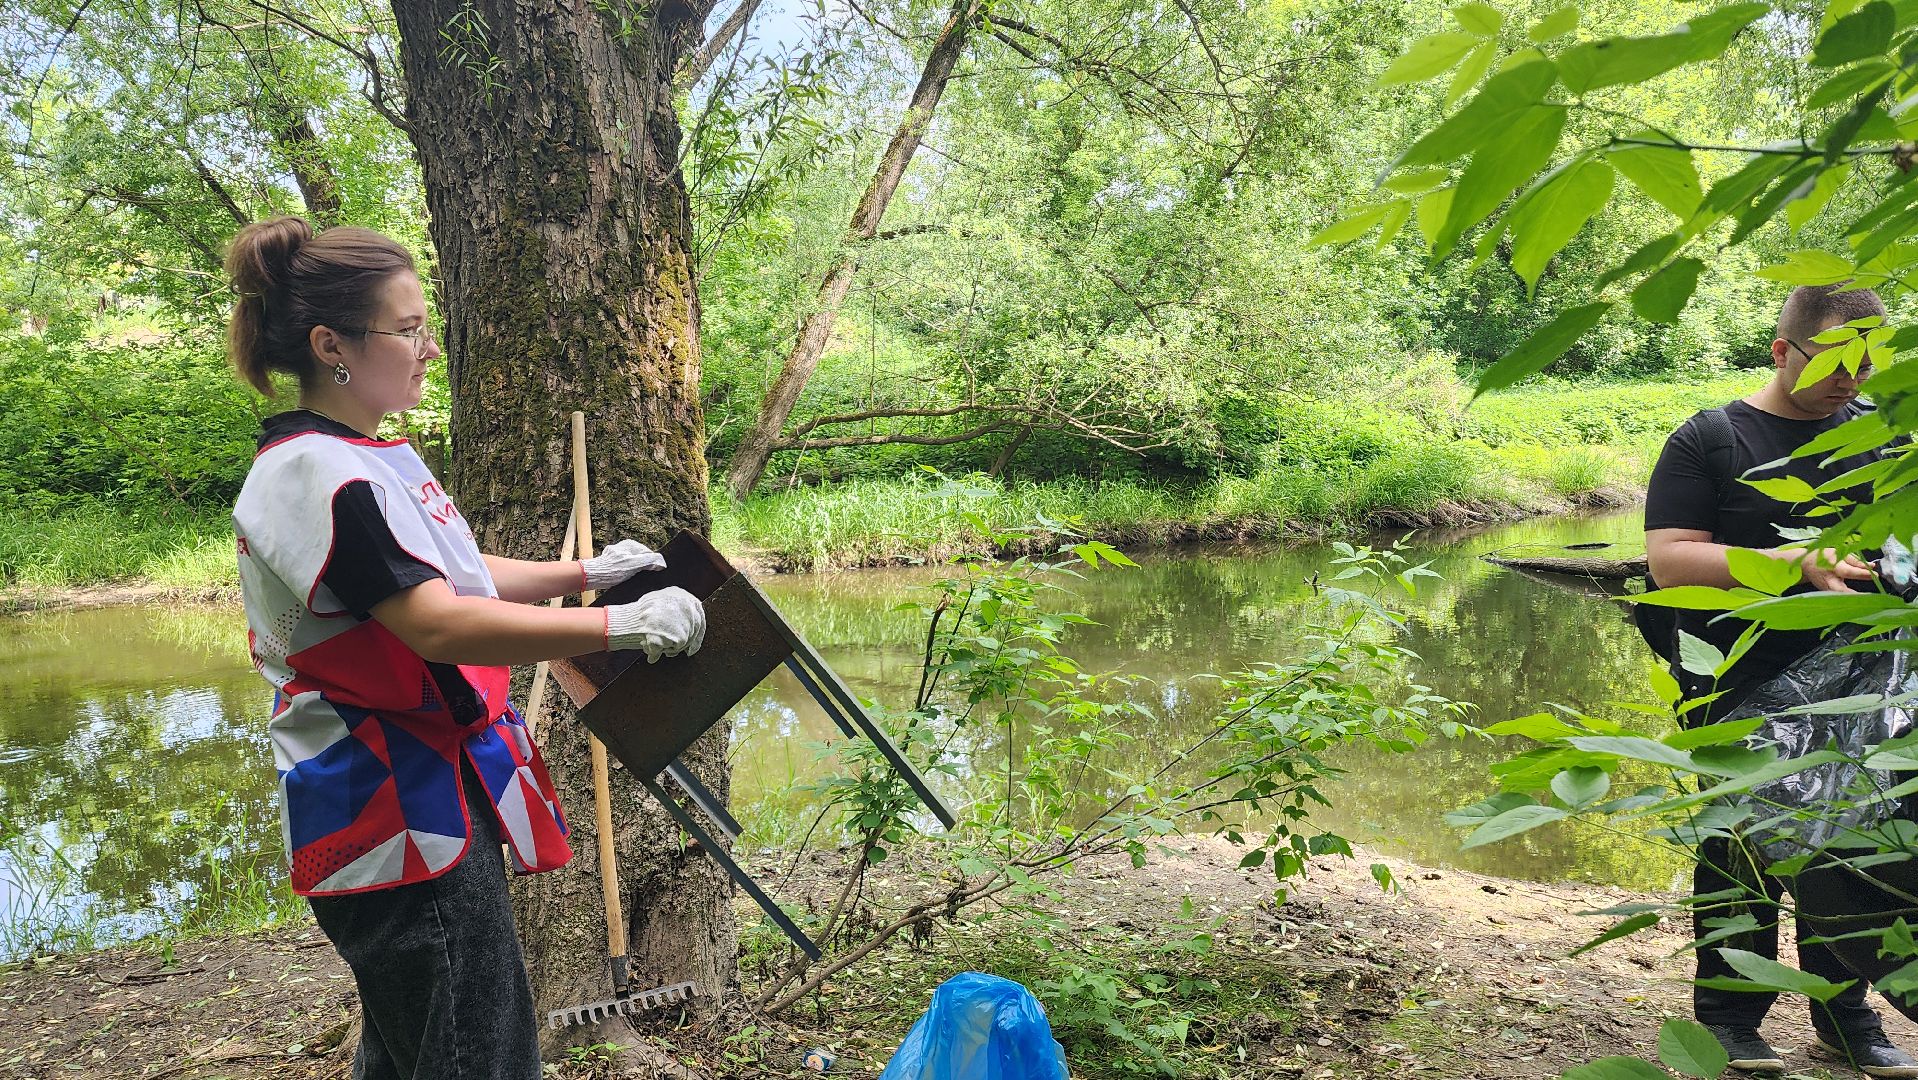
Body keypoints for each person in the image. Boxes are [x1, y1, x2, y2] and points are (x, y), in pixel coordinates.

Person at [226, 215, 707, 1080]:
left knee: (416, 1052)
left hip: (424, 791)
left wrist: (583, 574)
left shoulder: (360, 457)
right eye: (407, 329)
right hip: (394, 802)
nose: (429, 349)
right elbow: (437, 621)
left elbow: (452, 572)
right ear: (331, 343)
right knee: (474, 1057)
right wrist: (618, 625)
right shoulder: (312, 474)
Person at [1646, 282, 1918, 1077]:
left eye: (1870, 361)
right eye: (1836, 358)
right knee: (1740, 848)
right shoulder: (1712, 439)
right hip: (1737, 680)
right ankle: (1730, 1019)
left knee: (1853, 847)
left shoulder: (1878, 436)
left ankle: (1845, 1014)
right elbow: (1670, 559)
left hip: (1866, 683)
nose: (1853, 376)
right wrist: (1796, 563)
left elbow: (1902, 542)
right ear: (1781, 349)